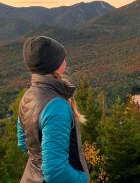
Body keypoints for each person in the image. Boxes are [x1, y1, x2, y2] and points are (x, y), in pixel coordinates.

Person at [17, 35, 90, 183]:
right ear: (54, 64)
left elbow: (23, 143)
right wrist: (83, 179)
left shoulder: (28, 96)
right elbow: (56, 173)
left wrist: (41, 160)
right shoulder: (57, 106)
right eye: (62, 57)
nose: (65, 60)